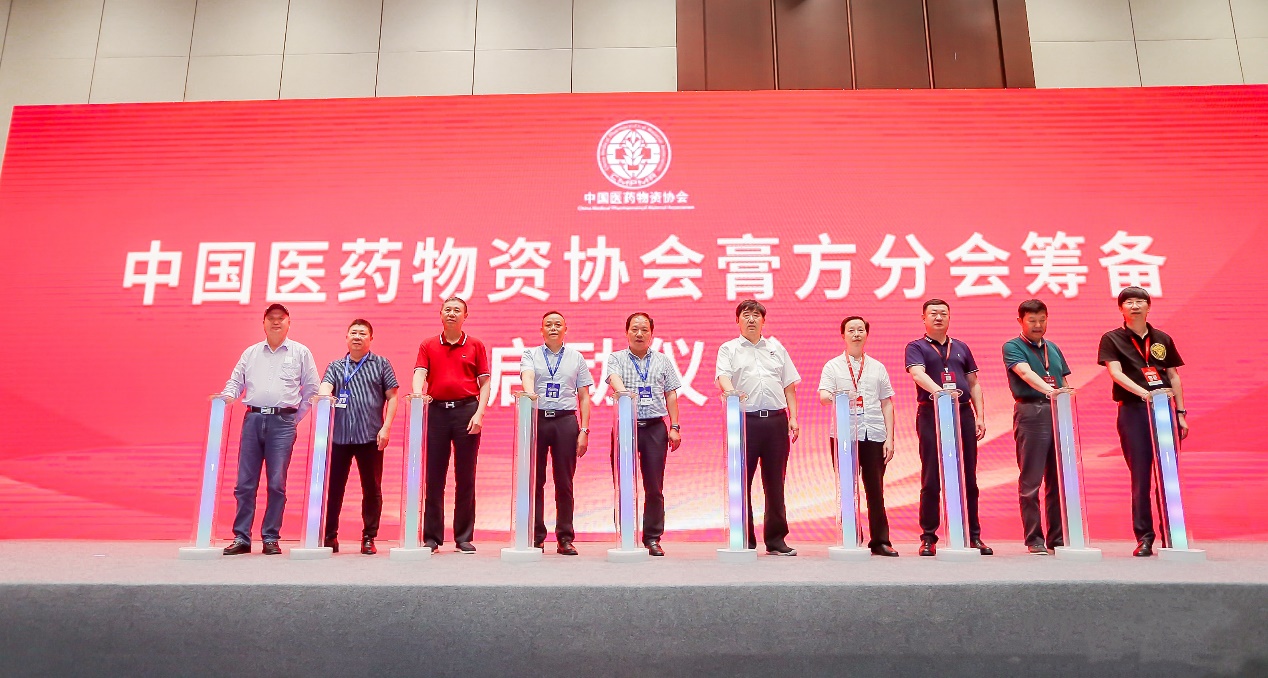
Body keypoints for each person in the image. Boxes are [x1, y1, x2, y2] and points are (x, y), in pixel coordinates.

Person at [218, 304, 320, 556]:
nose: (276, 322)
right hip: (253, 419)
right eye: (271, 318)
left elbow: (312, 389)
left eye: (280, 318)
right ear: (263, 323)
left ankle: (271, 537)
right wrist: (226, 397)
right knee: (244, 483)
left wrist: (294, 419)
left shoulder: (300, 352)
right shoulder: (251, 353)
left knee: (276, 484)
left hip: (282, 423)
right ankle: (241, 537)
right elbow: (235, 382)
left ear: (289, 322)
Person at [1097, 286, 1188, 557]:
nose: (1134, 306)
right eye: (1129, 302)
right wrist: (1144, 394)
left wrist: (1180, 412)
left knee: (1168, 475)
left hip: (1164, 410)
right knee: (1141, 476)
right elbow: (1115, 373)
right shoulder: (1112, 339)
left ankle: (1173, 534)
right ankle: (1144, 537)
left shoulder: (1162, 339)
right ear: (1121, 308)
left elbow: (1173, 376)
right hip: (1134, 411)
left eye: (1140, 301)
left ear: (1149, 306)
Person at [905, 298, 993, 557]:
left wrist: (980, 415)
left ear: (949, 317)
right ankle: (928, 537)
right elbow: (918, 374)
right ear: (924, 318)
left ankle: (972, 535)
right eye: (933, 313)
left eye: (943, 313)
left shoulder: (961, 347)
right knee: (931, 476)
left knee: (969, 476)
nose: (938, 317)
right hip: (931, 413)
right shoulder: (916, 346)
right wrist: (941, 394)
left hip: (962, 413)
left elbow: (973, 383)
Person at [715, 299, 801, 556]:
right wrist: (731, 393)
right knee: (741, 482)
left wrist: (793, 417)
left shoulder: (776, 348)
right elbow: (723, 376)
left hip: (776, 421)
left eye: (756, 315)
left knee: (775, 483)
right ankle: (744, 539)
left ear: (763, 320)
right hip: (745, 422)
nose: (751, 319)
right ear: (737, 320)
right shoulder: (729, 349)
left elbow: (789, 386)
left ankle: (776, 540)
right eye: (746, 314)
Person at [412, 297, 491, 554]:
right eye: (447, 309)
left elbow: (485, 383)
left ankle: (463, 537)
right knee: (434, 477)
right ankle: (432, 537)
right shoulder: (428, 344)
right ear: (440, 314)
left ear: (465, 316)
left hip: (467, 411)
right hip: (437, 412)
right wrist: (417, 394)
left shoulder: (476, 345)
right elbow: (420, 372)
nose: (452, 313)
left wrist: (479, 413)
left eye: (457, 310)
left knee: (466, 476)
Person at [816, 315, 898, 557]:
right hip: (844, 436)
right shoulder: (833, 366)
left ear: (866, 334)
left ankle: (880, 541)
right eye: (851, 330)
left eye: (860, 330)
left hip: (874, 434)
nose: (856, 334)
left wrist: (890, 438)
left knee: (876, 491)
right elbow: (823, 396)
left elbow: (887, 403)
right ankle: (850, 536)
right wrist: (839, 397)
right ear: (843, 335)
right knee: (847, 489)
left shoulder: (878, 367)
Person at [318, 319, 399, 556]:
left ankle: (368, 537)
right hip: (339, 437)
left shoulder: (382, 364)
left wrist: (386, 428)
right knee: (333, 489)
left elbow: (393, 397)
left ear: (370, 339)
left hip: (370, 436)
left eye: (362, 333)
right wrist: (324, 395)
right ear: (346, 337)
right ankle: (330, 535)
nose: (357, 336)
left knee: (372, 489)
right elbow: (325, 388)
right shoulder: (335, 366)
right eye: (353, 332)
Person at [606, 312, 683, 556]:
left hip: (655, 428)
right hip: (626, 427)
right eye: (634, 329)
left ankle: (652, 538)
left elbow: (671, 393)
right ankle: (625, 535)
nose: (639, 334)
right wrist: (625, 394)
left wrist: (675, 426)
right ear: (626, 332)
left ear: (651, 334)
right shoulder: (616, 358)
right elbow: (613, 378)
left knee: (654, 486)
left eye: (644, 330)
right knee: (623, 484)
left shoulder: (662, 360)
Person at [520, 311, 593, 555]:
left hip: (565, 421)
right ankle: (536, 536)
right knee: (535, 481)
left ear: (565, 329)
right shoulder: (531, 354)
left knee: (564, 482)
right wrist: (530, 393)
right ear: (541, 330)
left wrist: (584, 429)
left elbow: (584, 396)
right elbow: (527, 375)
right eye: (548, 325)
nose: (553, 328)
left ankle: (565, 538)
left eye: (558, 324)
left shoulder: (576, 357)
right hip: (538, 418)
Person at [1002, 299, 1071, 555]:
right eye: (1032, 320)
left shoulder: (1053, 348)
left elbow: (1063, 380)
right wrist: (1051, 392)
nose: (1038, 325)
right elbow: (1025, 373)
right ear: (1020, 321)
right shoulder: (1012, 346)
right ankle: (1034, 538)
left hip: (1058, 412)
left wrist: (1064, 398)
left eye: (1042, 320)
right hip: (1031, 412)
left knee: (1058, 479)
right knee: (1031, 480)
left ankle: (1058, 537)